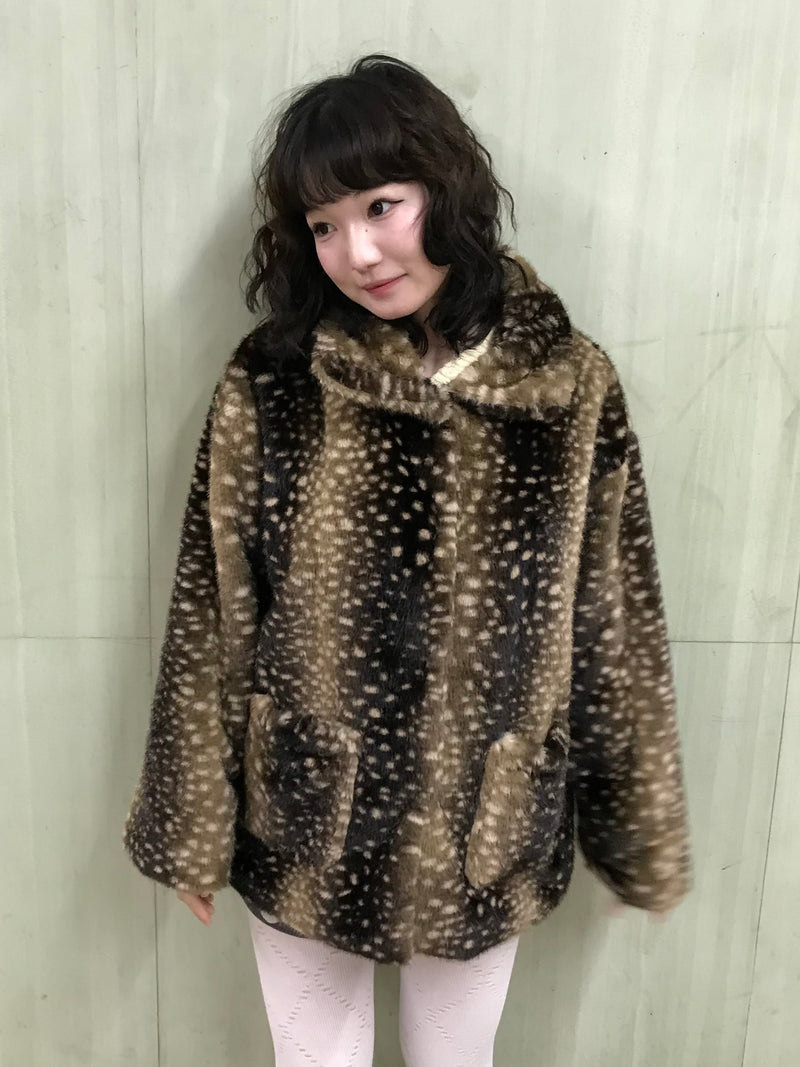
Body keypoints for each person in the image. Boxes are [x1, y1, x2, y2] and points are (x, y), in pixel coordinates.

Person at [122, 52, 693, 1066]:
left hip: (487, 826)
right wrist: (191, 822)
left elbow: (613, 617)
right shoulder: (275, 381)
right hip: (311, 815)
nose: (356, 251)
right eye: (323, 225)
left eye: (381, 206)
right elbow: (213, 608)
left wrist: (633, 832)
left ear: (445, 187)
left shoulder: (568, 387)